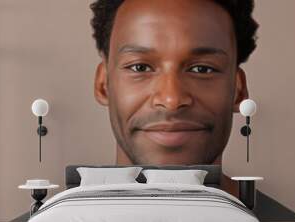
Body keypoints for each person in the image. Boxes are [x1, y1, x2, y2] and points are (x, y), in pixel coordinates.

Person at [90, 0, 259, 196]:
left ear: (238, 90)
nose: (171, 100)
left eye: (202, 69)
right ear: (103, 85)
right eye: (140, 67)